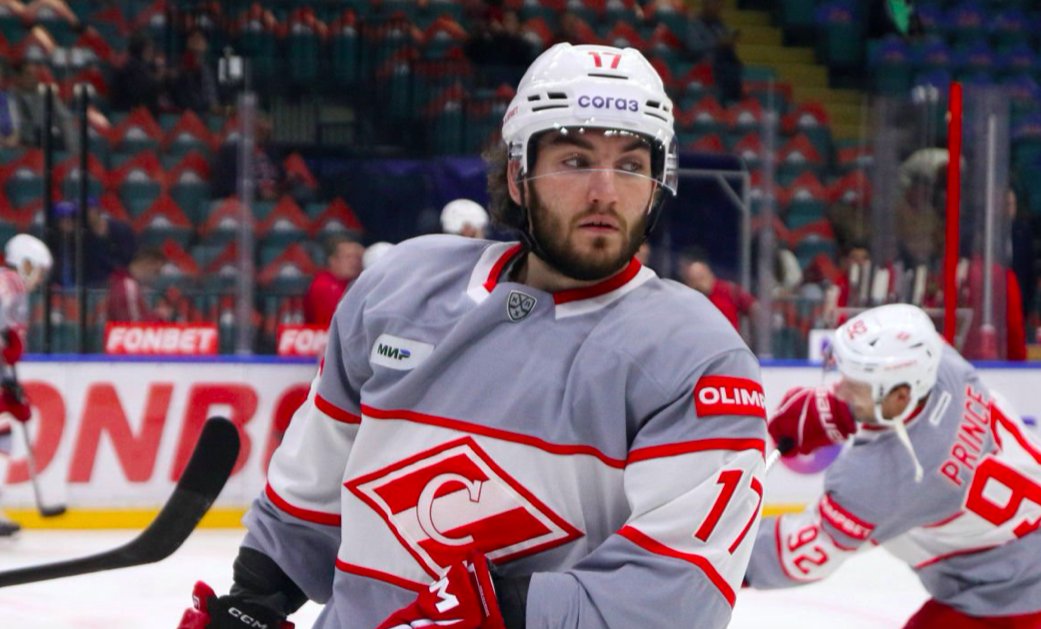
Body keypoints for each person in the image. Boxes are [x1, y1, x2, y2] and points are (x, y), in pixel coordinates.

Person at [180, 43, 767, 629]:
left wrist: (502, 611)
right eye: (574, 160)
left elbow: (675, 593)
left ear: (658, 182)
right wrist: (255, 599)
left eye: (632, 166)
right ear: (517, 175)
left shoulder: (696, 357)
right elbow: (316, 478)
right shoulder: (400, 287)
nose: (605, 192)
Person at [744, 303, 1041, 627]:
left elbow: (796, 554)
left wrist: (722, 556)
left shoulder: (885, 478)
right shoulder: (946, 366)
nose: (840, 389)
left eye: (855, 384)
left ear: (899, 396)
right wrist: (841, 412)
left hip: (1012, 597)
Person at [0, 234, 52, 537]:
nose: (40, 279)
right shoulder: (10, 284)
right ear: (27, 264)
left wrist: (8, 385)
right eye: (39, 271)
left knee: (3, 438)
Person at [51, 198, 136, 288]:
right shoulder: (79, 236)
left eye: (88, 210)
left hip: (111, 283)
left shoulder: (119, 230)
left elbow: (128, 259)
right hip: (82, 286)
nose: (84, 214)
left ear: (97, 209)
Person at [680, 247, 760, 337]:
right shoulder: (688, 300)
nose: (699, 284)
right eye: (693, 281)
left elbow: (755, 308)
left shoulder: (729, 290)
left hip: (729, 342)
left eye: (701, 278)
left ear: (707, 271)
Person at [685, 0, 744, 104]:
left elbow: (725, 41)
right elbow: (693, 46)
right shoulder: (695, 23)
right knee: (726, 71)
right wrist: (717, 44)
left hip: (723, 61)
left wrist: (729, 41)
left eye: (719, 4)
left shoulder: (720, 25)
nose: (716, 6)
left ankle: (734, 102)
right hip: (704, 61)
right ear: (705, 4)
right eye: (713, 3)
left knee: (734, 66)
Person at [303, 234, 364, 328]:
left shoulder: (354, 282)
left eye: (357, 257)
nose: (354, 262)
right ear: (333, 260)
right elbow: (335, 324)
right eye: (348, 257)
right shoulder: (324, 285)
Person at [105, 246, 170, 322]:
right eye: (156, 271)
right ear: (148, 264)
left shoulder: (123, 284)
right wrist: (159, 317)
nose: (155, 278)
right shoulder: (128, 286)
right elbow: (134, 325)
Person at [110, 32, 169, 114]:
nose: (151, 52)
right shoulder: (132, 67)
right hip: (127, 112)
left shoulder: (140, 65)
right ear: (142, 50)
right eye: (149, 49)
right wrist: (160, 76)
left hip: (133, 110)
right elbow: (145, 89)